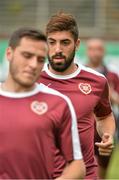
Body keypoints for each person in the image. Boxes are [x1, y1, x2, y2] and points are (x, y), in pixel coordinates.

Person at [0, 28, 85, 179]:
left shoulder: (59, 103)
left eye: (40, 59)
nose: (33, 65)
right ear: (9, 54)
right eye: (27, 56)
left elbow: (77, 165)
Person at [39, 12, 116, 179]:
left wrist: (107, 134)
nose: (57, 49)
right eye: (52, 42)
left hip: (85, 174)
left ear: (77, 44)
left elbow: (104, 116)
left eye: (65, 42)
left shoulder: (96, 81)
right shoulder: (32, 79)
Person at [86, 38, 119, 178]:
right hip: (85, 129)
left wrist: (110, 94)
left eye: (99, 49)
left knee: (103, 172)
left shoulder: (112, 76)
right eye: (92, 49)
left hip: (106, 130)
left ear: (103, 52)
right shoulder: (79, 74)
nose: (95, 53)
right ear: (87, 51)